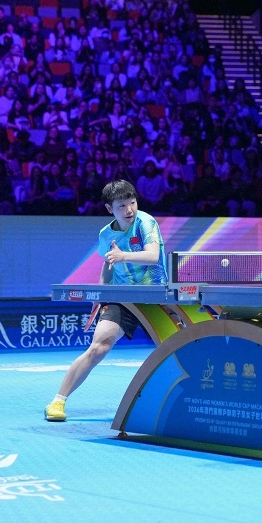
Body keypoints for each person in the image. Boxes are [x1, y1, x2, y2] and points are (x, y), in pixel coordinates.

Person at [44, 180, 166, 422]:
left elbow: (153, 256)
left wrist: (122, 256)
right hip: (123, 298)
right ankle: (58, 401)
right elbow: (108, 264)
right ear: (110, 209)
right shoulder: (106, 234)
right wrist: (100, 294)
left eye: (132, 203)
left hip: (155, 295)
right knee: (98, 346)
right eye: (122, 205)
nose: (129, 210)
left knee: (176, 346)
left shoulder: (146, 222)